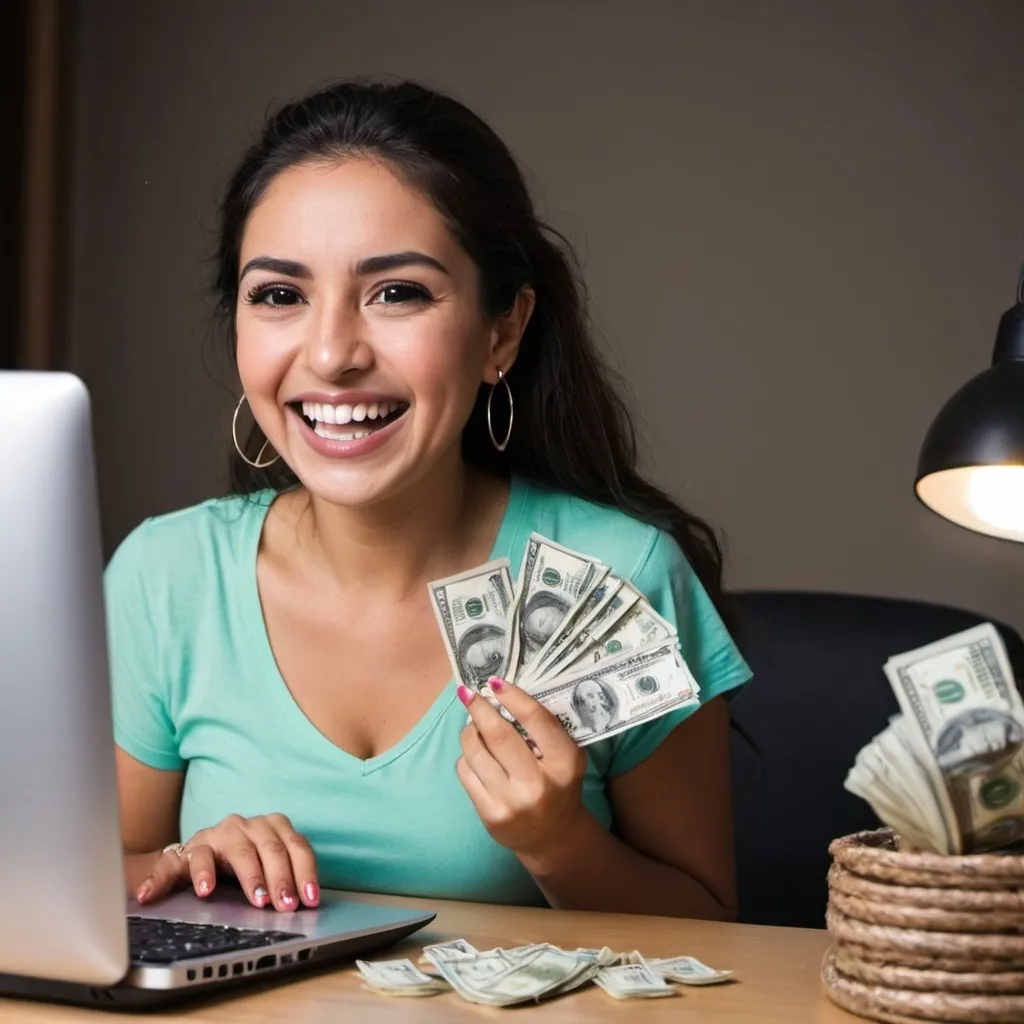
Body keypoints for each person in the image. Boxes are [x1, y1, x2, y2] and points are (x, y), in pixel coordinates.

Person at [108, 78, 752, 921]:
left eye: (397, 292)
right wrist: (184, 862)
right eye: (279, 295)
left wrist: (561, 842)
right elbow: (75, 887)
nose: (333, 354)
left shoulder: (620, 575)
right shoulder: (165, 576)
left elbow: (715, 935)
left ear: (503, 330)